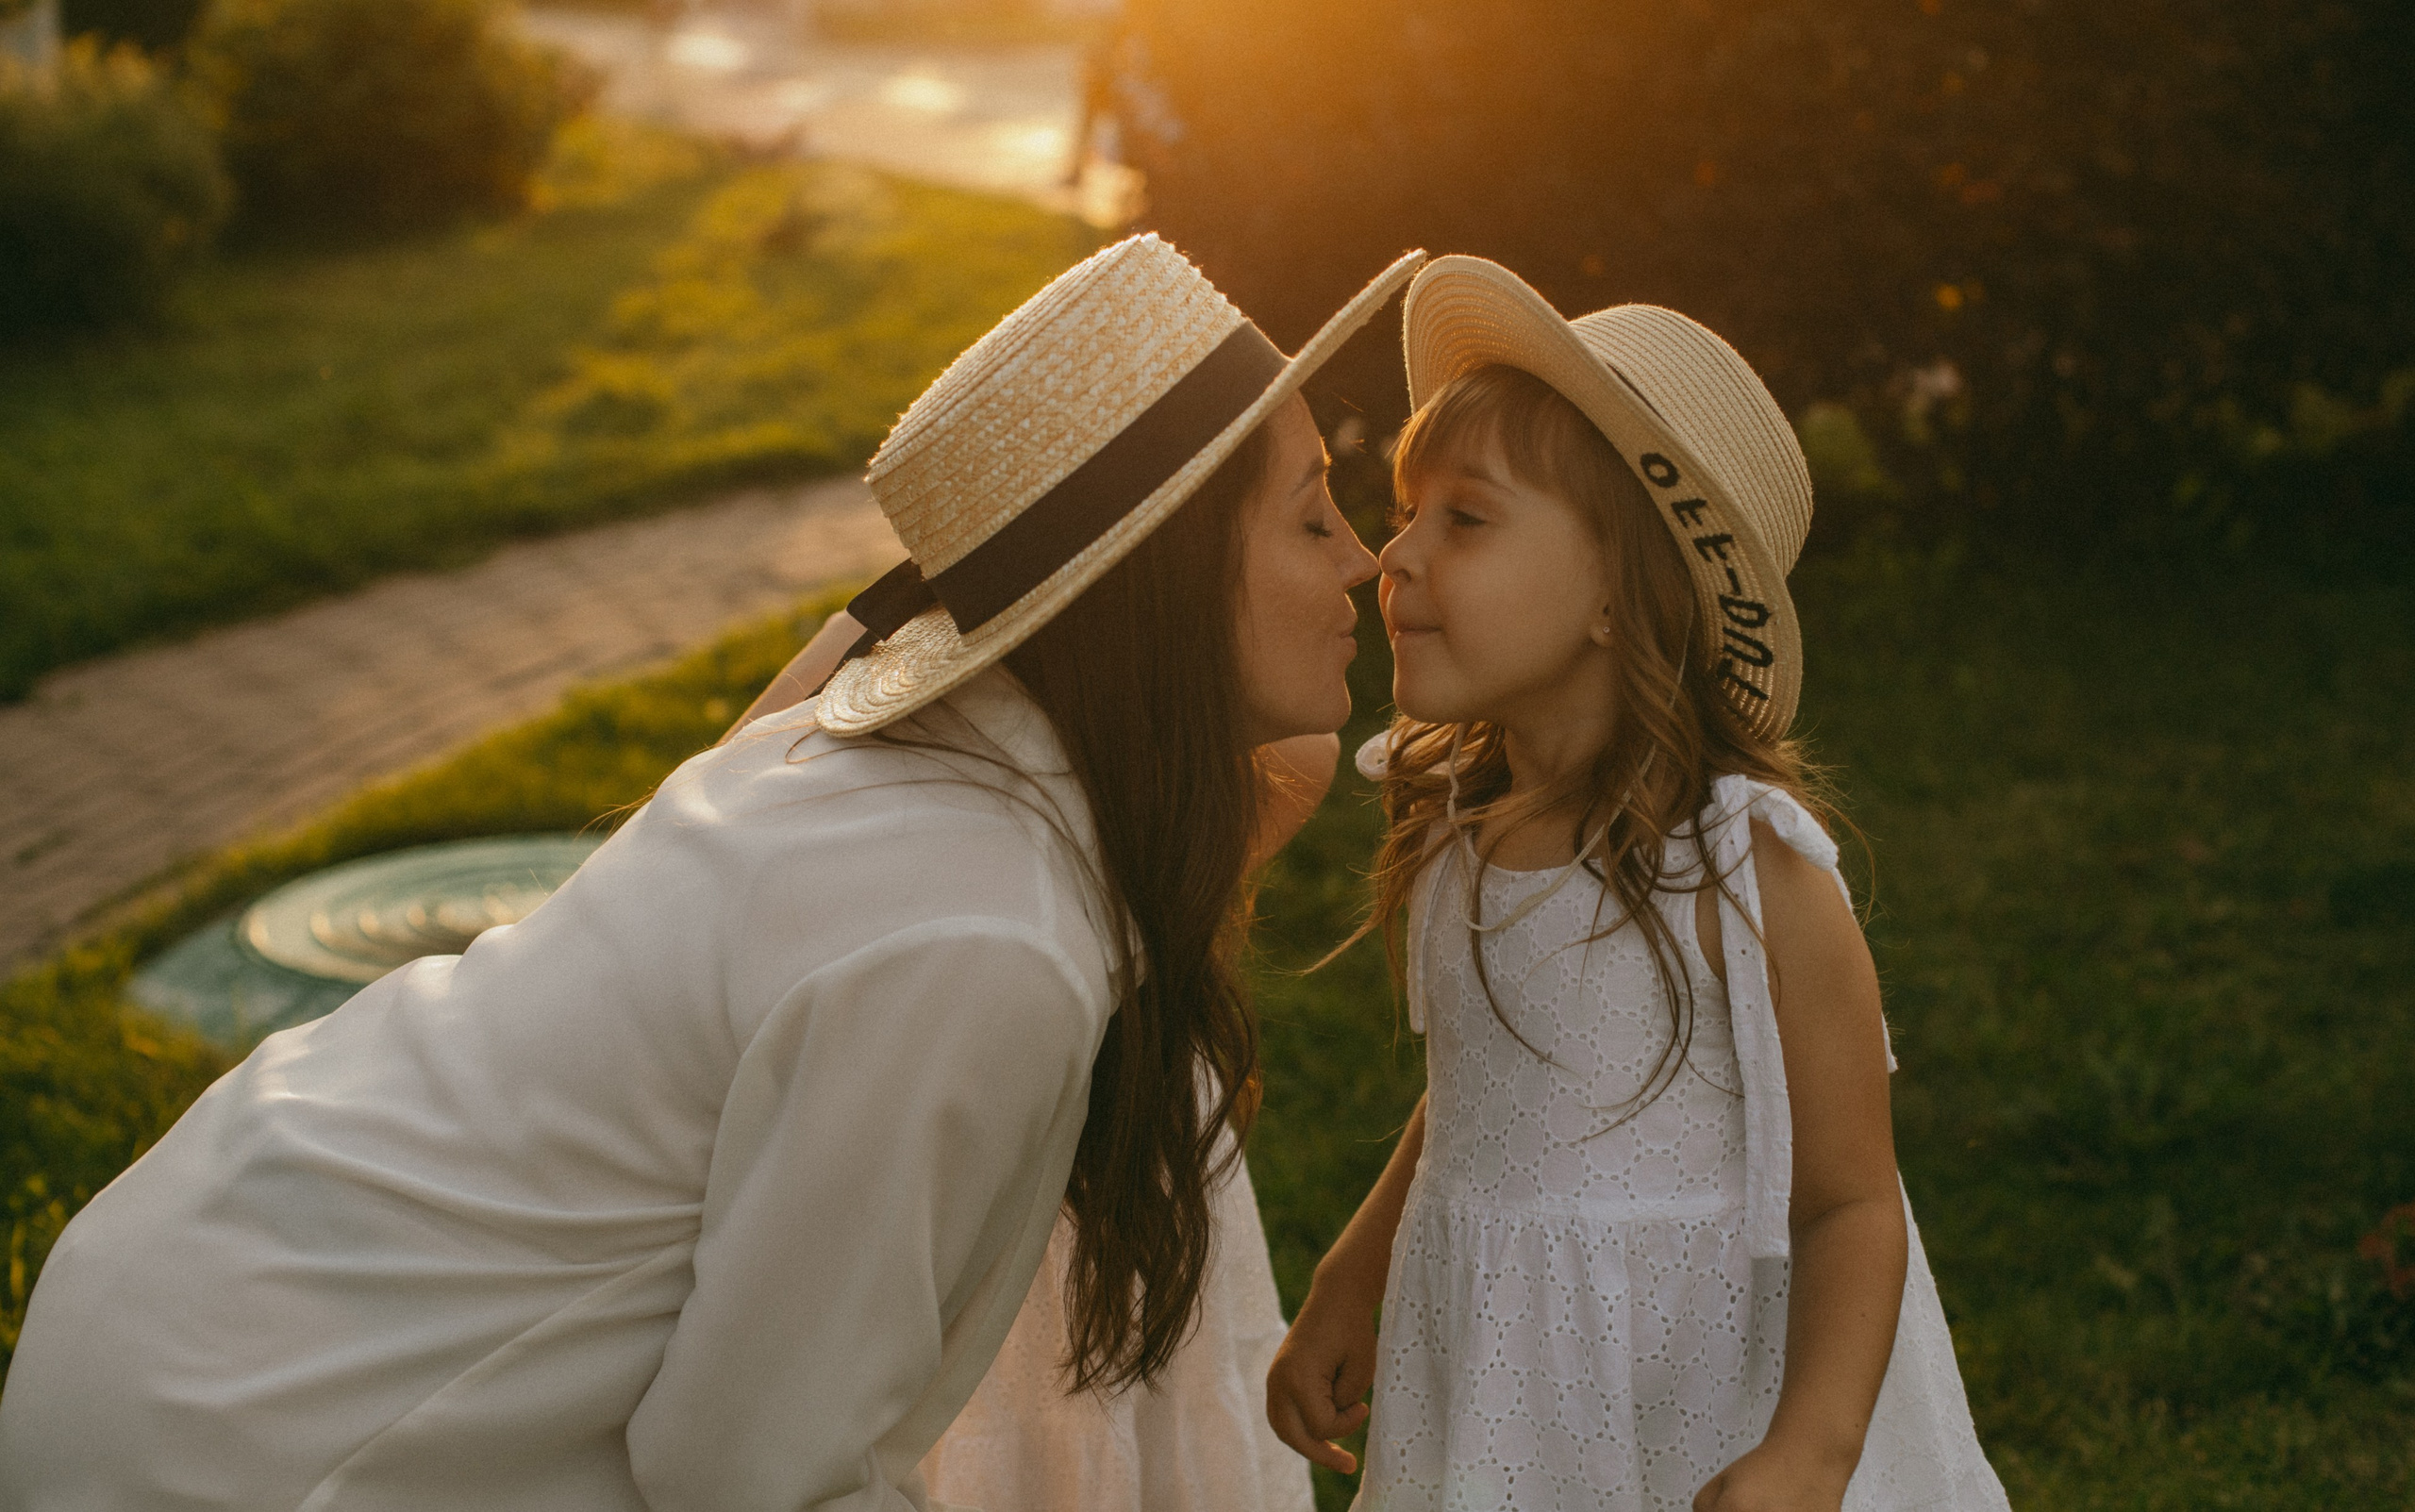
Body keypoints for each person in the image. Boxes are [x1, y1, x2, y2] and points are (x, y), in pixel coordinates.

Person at [0, 233, 1423, 1512]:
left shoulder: (873, 757)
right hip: (268, 1444)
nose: (1363, 560)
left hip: (197, 1297)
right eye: (1310, 512)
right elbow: (749, 1479)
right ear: (1162, 584)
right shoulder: (987, 939)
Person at [1263, 258, 2009, 1512]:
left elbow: (1849, 1201)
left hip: (1704, 1403)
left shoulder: (1744, 869)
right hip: (1511, 1397)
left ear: (1619, 587)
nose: (1393, 555)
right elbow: (1485, 1093)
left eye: (1466, 519)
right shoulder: (1460, 822)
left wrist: (1810, 1456)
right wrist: (1358, 1267)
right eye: (1407, 510)